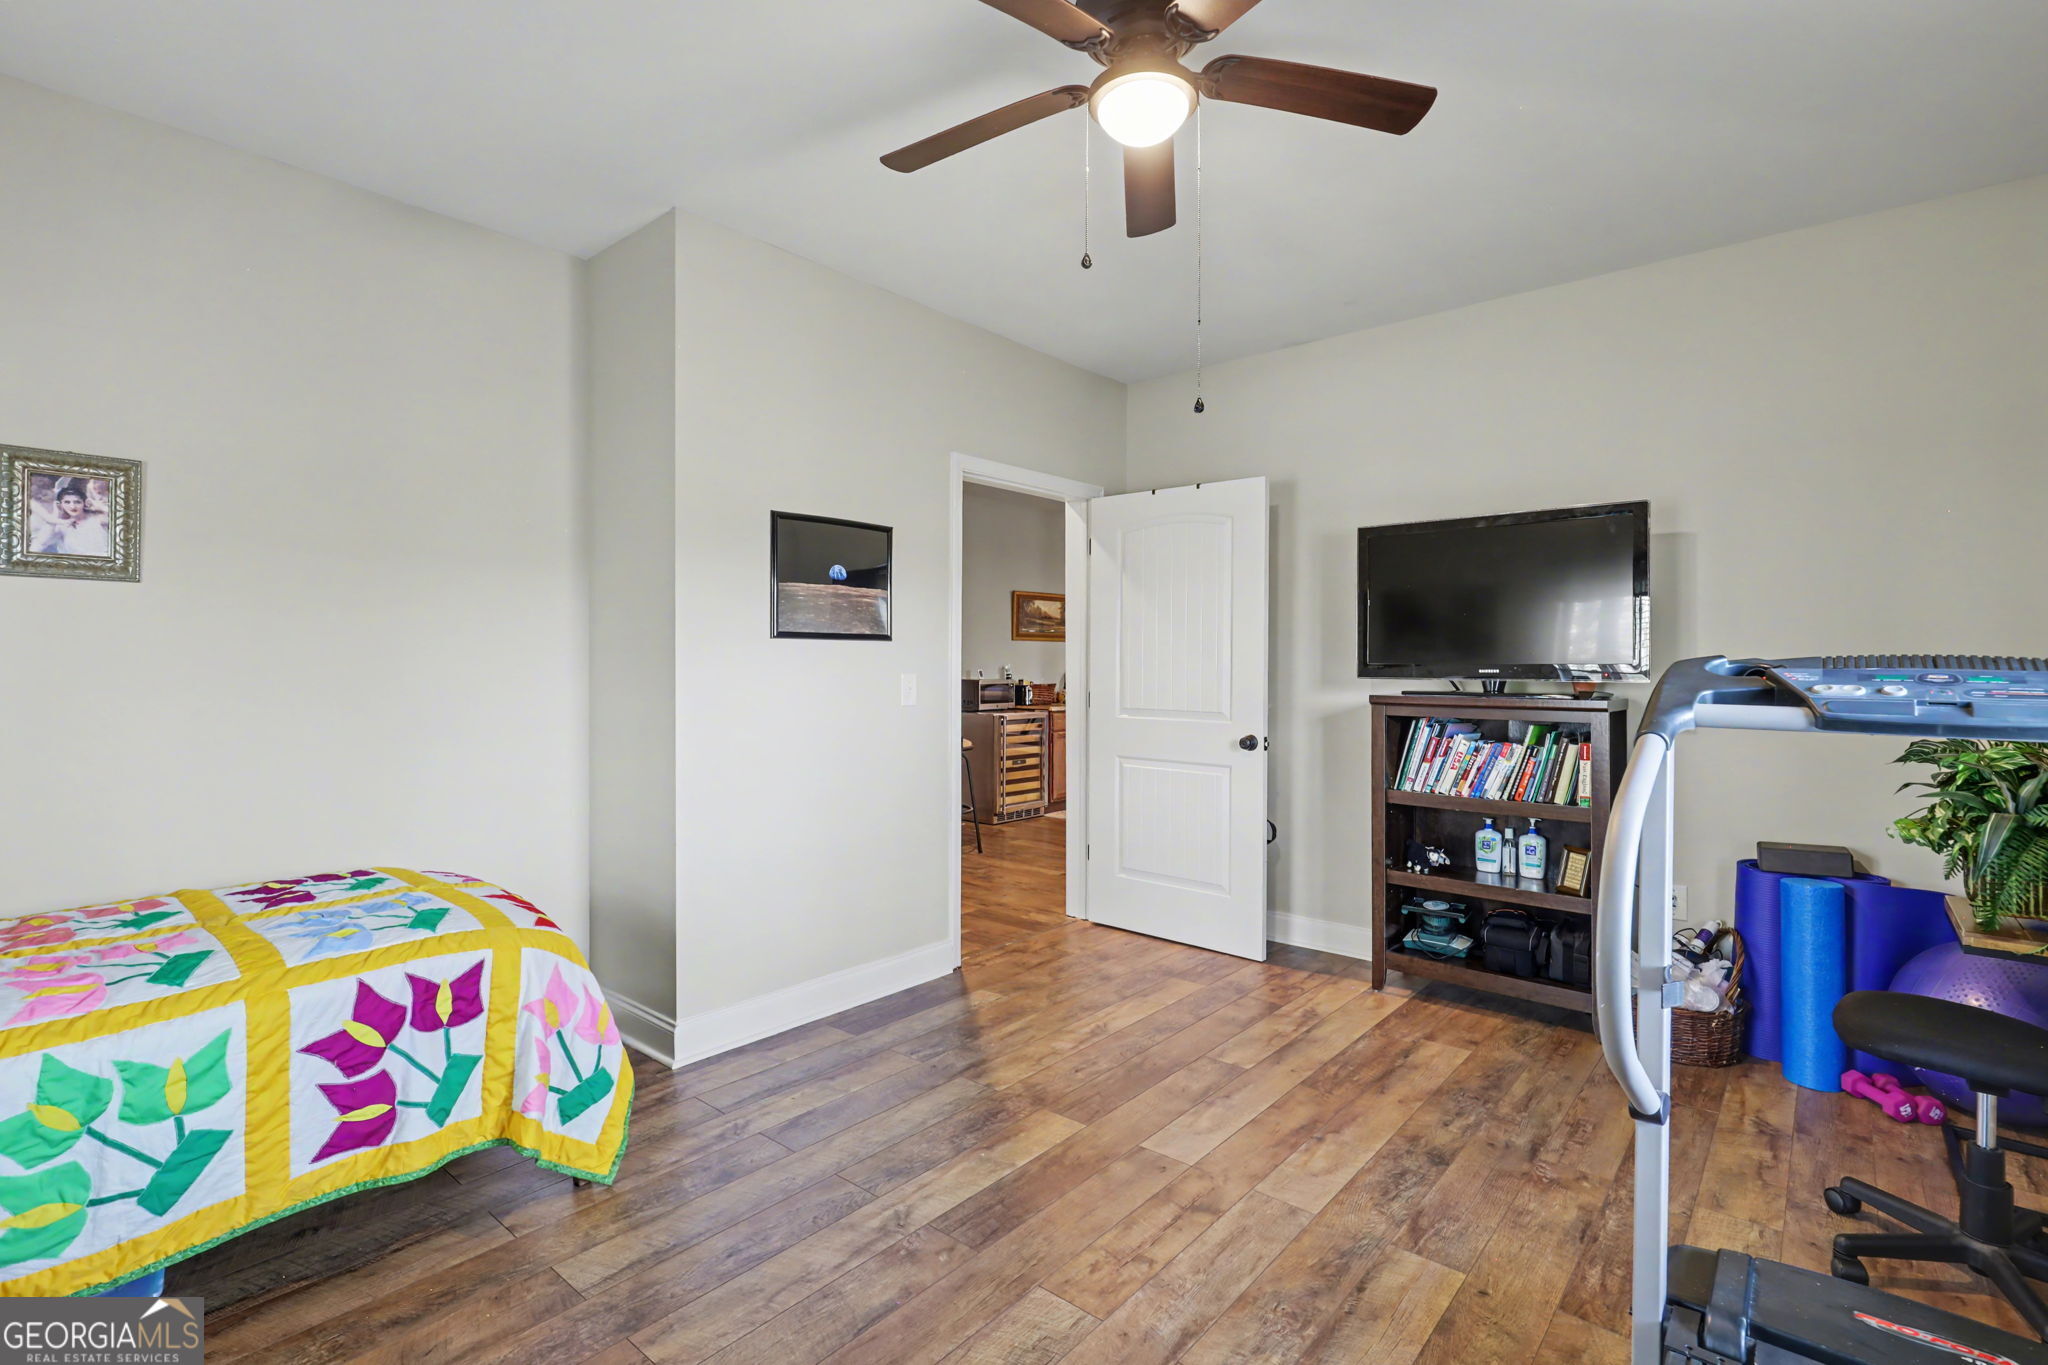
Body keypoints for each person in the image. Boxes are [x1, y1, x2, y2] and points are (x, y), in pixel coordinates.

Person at [28, 478, 111, 557]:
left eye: (77, 502)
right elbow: (40, 543)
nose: (72, 506)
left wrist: (100, 507)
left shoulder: (97, 519)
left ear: (84, 503)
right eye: (67, 502)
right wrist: (56, 511)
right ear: (60, 505)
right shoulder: (61, 527)